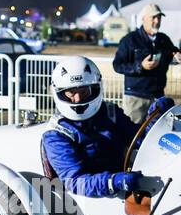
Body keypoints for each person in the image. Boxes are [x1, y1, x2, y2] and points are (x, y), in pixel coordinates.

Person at [41, 55, 172, 198]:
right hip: (97, 196)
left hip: (126, 184)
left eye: (84, 91)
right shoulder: (56, 134)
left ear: (95, 88)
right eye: (71, 92)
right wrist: (112, 181)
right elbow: (74, 181)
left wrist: (155, 118)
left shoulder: (110, 113)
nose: (77, 99)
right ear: (59, 92)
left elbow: (139, 141)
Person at [112, 2, 181, 123]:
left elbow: (175, 52)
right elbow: (117, 65)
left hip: (158, 97)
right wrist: (140, 66)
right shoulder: (130, 39)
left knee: (155, 134)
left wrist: (179, 55)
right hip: (136, 98)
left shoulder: (164, 39)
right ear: (143, 19)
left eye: (159, 17)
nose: (157, 21)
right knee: (133, 134)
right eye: (153, 17)